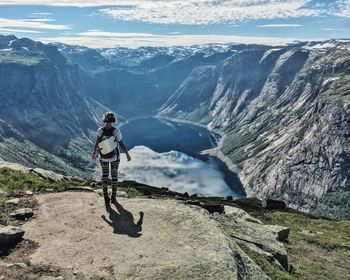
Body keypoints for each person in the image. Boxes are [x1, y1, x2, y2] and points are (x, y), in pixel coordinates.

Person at [92, 112, 131, 204]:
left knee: (104, 176)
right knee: (114, 176)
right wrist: (127, 154)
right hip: (115, 158)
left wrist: (94, 153)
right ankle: (113, 197)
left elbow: (97, 143)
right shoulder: (116, 131)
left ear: (105, 119)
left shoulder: (100, 130)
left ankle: (106, 197)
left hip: (103, 157)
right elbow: (121, 144)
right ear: (114, 120)